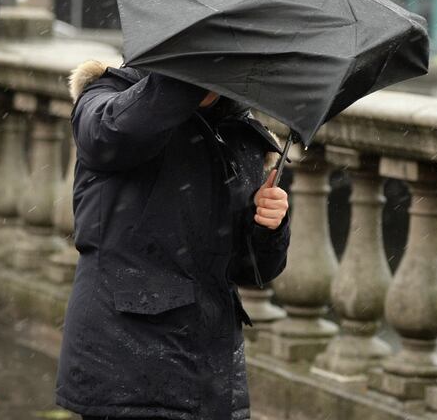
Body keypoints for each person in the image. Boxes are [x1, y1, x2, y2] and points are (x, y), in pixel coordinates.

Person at [56, 61, 292, 420]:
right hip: (125, 362)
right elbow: (112, 135)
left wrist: (269, 226)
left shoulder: (241, 134)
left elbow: (252, 269)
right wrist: (188, 79)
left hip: (209, 373)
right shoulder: (107, 97)